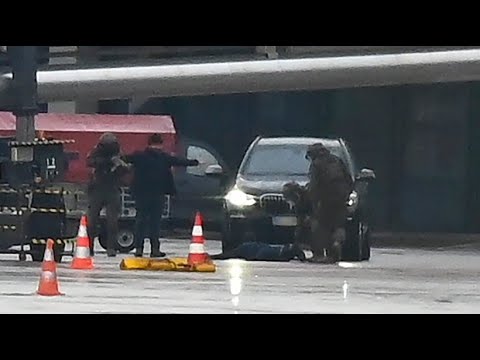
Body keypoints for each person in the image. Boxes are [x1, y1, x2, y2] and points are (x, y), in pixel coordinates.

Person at [126, 133, 199, 258]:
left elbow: (125, 158)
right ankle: (155, 249)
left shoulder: (139, 156)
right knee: (155, 223)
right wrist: (194, 162)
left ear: (148, 143)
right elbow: (180, 161)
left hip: (141, 194)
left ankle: (139, 248)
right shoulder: (164, 157)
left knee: (141, 221)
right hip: (158, 194)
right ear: (161, 144)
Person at [305, 143, 354, 263]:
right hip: (341, 200)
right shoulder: (337, 160)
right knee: (337, 225)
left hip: (325, 201)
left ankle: (319, 254)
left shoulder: (317, 165)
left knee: (320, 227)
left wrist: (312, 202)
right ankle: (336, 246)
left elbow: (314, 186)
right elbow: (349, 179)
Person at [86, 133, 130, 257]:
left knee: (112, 222)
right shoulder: (96, 152)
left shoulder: (118, 153)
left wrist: (120, 167)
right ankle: (89, 246)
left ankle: (111, 248)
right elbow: (89, 162)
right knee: (92, 221)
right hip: (98, 188)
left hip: (111, 187)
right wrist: (107, 162)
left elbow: (125, 169)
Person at [210, 242, 312, 262]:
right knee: (228, 255)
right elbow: (260, 254)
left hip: (252, 248)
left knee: (227, 255)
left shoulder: (282, 254)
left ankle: (211, 257)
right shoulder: (282, 255)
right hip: (251, 249)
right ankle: (211, 257)